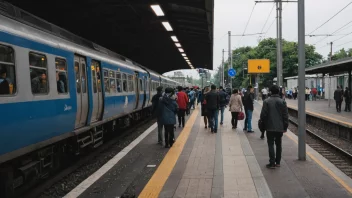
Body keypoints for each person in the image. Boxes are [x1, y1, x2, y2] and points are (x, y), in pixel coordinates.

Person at [260, 85, 288, 169]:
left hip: (269, 127)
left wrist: (263, 125)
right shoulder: (282, 101)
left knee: (271, 144)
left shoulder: (266, 101)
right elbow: (285, 116)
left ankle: (272, 163)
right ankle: (278, 162)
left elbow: (263, 115)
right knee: (279, 144)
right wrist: (285, 127)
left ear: (270, 92)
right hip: (280, 127)